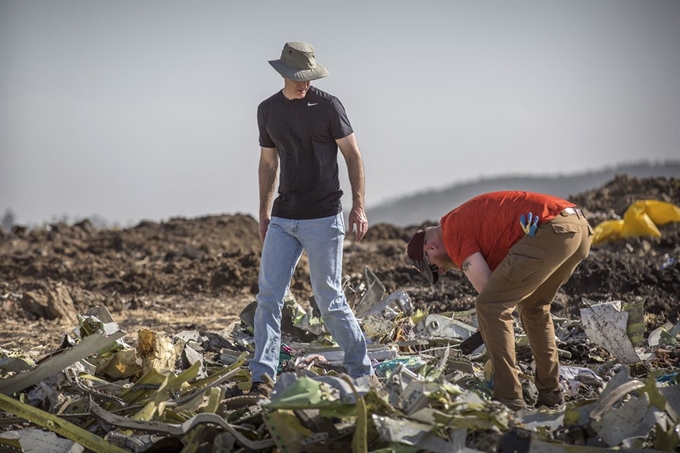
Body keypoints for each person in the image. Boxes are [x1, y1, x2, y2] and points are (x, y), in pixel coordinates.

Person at [249, 42, 374, 396]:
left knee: (328, 298)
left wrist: (358, 205)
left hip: (323, 216)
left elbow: (353, 156)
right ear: (285, 74)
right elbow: (268, 163)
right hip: (283, 219)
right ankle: (262, 376)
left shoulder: (328, 106)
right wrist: (264, 213)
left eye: (309, 77)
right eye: (299, 78)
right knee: (269, 297)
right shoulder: (268, 110)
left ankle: (361, 371)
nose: (304, 84)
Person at [406, 191, 593, 410]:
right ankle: (550, 395)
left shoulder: (452, 234)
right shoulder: (461, 222)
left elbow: (490, 297)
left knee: (490, 306)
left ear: (430, 249)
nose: (443, 272)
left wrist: (489, 329)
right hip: (577, 227)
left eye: (435, 268)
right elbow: (500, 288)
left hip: (551, 228)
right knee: (534, 307)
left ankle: (509, 398)